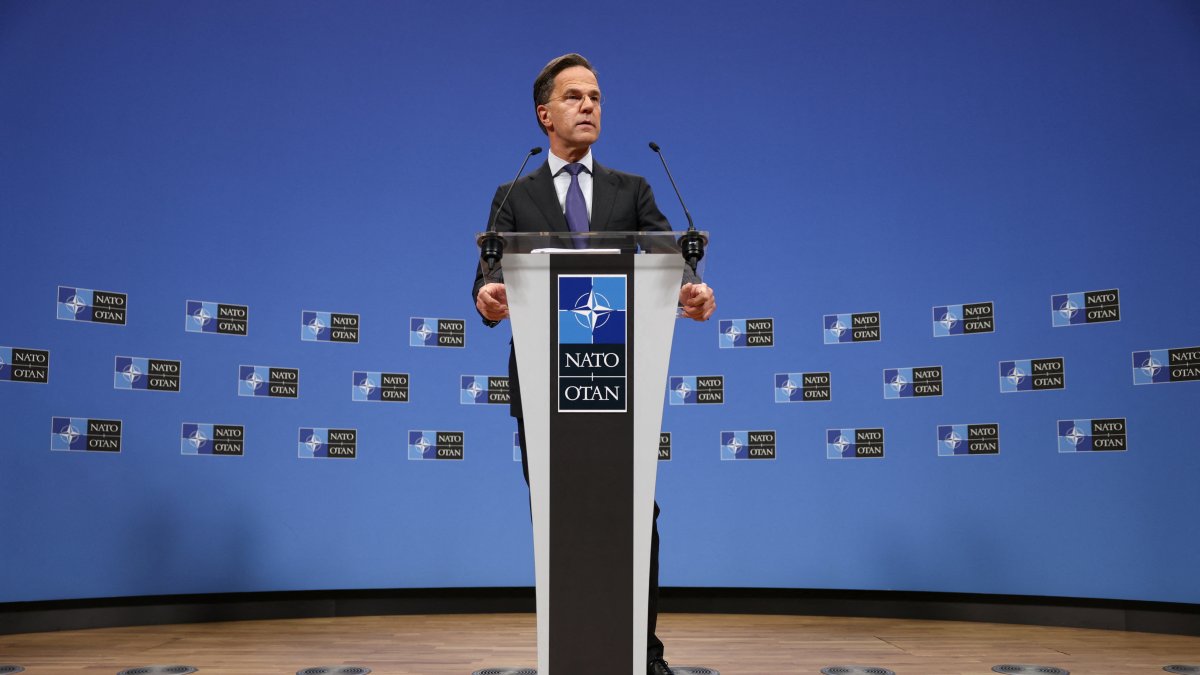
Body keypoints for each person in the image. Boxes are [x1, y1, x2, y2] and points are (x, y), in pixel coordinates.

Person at [473, 53, 715, 675]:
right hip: (542, 378)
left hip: (620, 379)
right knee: (556, 512)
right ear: (544, 114)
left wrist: (691, 286)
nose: (589, 106)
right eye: (575, 96)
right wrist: (488, 297)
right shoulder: (514, 195)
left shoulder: (631, 189)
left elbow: (670, 258)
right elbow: (489, 274)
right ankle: (566, 649)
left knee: (638, 513)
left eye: (597, 97)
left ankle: (644, 651)